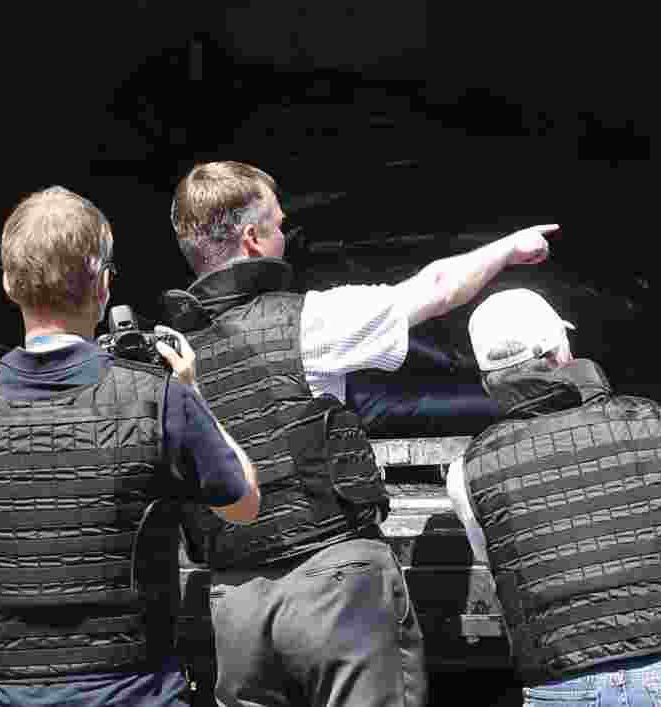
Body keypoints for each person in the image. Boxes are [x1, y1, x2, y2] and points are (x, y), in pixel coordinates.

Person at [162, 160, 558, 707]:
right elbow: (436, 288)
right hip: (333, 584)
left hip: (234, 602)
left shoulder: (167, 356)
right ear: (252, 240)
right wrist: (508, 250)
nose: (287, 235)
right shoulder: (311, 322)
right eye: (279, 226)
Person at [0, 186, 260, 707]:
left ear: (8, 284)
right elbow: (245, 503)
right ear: (102, 287)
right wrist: (191, 393)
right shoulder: (159, 398)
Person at [445, 288, 661, 707]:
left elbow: (512, 581)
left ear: (487, 380)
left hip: (562, 682)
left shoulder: (467, 470)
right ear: (560, 352)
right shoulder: (657, 424)